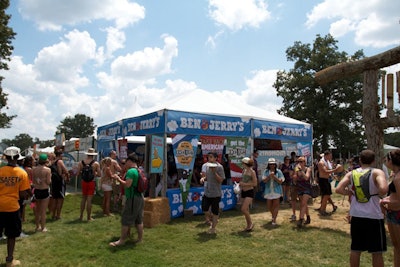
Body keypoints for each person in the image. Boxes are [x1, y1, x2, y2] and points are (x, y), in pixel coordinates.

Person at [336, 149, 388, 267]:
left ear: (360, 160)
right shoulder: (377, 172)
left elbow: (338, 189)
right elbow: (383, 189)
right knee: (377, 251)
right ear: (373, 161)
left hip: (357, 215)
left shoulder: (351, 173)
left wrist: (349, 193)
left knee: (356, 249)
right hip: (374, 215)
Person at [0, 146, 31, 267]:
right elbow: (23, 193)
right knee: (11, 235)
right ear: (18, 157)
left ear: (6, 157)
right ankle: (9, 260)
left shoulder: (1, 171)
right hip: (12, 207)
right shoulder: (22, 173)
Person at [109, 152, 144, 246]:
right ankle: (140, 239)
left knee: (125, 219)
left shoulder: (130, 172)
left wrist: (118, 179)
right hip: (139, 197)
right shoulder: (139, 170)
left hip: (132, 198)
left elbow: (127, 184)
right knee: (138, 220)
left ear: (129, 161)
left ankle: (122, 240)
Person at [380, 150, 400, 267]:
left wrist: (385, 201)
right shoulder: (395, 175)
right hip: (392, 212)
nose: (385, 162)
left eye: (386, 160)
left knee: (398, 247)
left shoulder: (398, 178)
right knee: (396, 246)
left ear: (391, 161)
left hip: (397, 214)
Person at [200, 152, 225, 234]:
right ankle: (214, 218)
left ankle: (213, 228)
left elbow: (221, 180)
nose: (209, 159)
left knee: (215, 211)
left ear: (215, 158)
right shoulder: (207, 166)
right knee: (204, 208)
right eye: (208, 157)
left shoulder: (219, 167)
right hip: (207, 191)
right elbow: (207, 177)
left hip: (216, 193)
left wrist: (214, 172)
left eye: (211, 157)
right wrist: (203, 178)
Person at [77, 148, 101, 221]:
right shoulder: (96, 163)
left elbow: (78, 173)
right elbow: (99, 174)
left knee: (83, 198)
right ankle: (88, 217)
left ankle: (81, 216)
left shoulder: (81, 163)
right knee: (89, 200)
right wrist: (94, 173)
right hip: (91, 182)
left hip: (84, 182)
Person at [32, 154, 51, 232]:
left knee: (37, 210)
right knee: (43, 211)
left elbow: (33, 181)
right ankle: (43, 227)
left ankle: (37, 226)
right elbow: (48, 182)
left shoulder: (34, 169)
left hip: (37, 190)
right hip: (44, 190)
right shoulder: (47, 170)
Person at [262, 158, 285, 226]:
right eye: (270, 164)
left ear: (275, 165)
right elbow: (264, 181)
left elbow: (281, 181)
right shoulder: (266, 171)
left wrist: (274, 177)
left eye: (273, 164)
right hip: (268, 190)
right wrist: (269, 176)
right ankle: (273, 216)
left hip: (277, 190)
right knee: (269, 206)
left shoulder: (278, 171)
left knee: (276, 205)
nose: (272, 165)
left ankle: (274, 219)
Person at [317, 151, 340, 216]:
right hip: (323, 180)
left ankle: (324, 208)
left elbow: (328, 172)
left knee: (327, 195)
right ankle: (322, 210)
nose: (331, 157)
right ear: (326, 155)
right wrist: (335, 170)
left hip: (326, 180)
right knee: (326, 195)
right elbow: (325, 171)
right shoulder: (321, 163)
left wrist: (332, 175)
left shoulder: (327, 162)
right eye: (330, 156)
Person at [49, 150, 70, 220]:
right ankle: (58, 215)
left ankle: (53, 214)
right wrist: (67, 177)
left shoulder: (52, 162)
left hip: (54, 182)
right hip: (60, 182)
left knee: (54, 199)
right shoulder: (60, 161)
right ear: (60, 155)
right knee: (60, 199)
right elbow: (66, 170)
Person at [293, 156, 312, 227]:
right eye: (298, 161)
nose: (299, 163)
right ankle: (308, 217)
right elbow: (295, 177)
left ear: (304, 162)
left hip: (307, 188)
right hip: (299, 187)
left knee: (303, 203)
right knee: (304, 203)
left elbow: (306, 177)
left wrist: (301, 171)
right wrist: (294, 176)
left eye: (301, 161)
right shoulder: (296, 169)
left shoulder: (308, 169)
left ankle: (301, 219)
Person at [239, 157, 257, 231]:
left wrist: (244, 184)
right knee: (246, 209)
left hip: (249, 191)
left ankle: (250, 223)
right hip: (243, 191)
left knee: (243, 209)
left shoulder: (252, 172)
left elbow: (255, 183)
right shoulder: (244, 171)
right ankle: (248, 224)